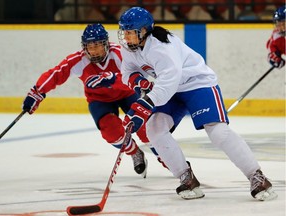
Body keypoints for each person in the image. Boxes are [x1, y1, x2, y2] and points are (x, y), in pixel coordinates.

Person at [117, 6, 278, 201]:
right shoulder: (129, 48)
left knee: (218, 132)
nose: (126, 37)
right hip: (171, 89)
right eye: (124, 32)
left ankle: (257, 176)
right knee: (154, 129)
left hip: (198, 84)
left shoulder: (161, 46)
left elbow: (168, 83)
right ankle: (186, 177)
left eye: (130, 32)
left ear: (144, 31)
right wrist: (138, 82)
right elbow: (127, 72)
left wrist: (143, 105)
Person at [22, 23, 151, 178]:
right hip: (99, 99)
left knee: (147, 129)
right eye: (89, 46)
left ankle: (169, 160)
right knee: (111, 131)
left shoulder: (120, 54)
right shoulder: (79, 59)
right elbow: (56, 74)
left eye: (97, 45)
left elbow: (139, 75)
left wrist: (113, 79)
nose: (93, 50)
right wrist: (37, 92)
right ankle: (134, 152)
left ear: (106, 44)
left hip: (127, 93)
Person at [266, 5, 285, 69]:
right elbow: (271, 46)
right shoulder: (278, 35)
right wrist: (275, 57)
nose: (280, 27)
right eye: (278, 24)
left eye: (283, 24)